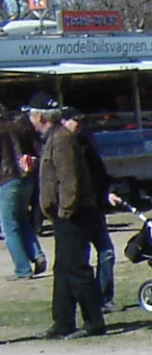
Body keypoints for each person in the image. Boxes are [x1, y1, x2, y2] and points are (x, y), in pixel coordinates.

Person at [30, 98, 105, 337]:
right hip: (63, 213)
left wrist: (66, 210)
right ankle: (62, 321)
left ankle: (94, 321)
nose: (30, 121)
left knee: (76, 268)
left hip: (74, 213)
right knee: (62, 269)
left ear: (40, 117)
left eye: (31, 115)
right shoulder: (53, 138)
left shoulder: (62, 139)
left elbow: (69, 179)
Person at [60, 109, 117, 308]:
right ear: (64, 121)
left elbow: (99, 172)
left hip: (93, 207)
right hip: (76, 209)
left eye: (81, 120)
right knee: (79, 259)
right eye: (76, 120)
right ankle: (84, 301)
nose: (79, 124)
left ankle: (104, 298)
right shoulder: (60, 146)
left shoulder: (85, 143)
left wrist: (108, 191)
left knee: (107, 251)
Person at [0, 118, 40, 279]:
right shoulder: (19, 126)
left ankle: (23, 268)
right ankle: (36, 253)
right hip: (26, 177)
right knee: (22, 219)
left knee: (9, 225)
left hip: (6, 179)